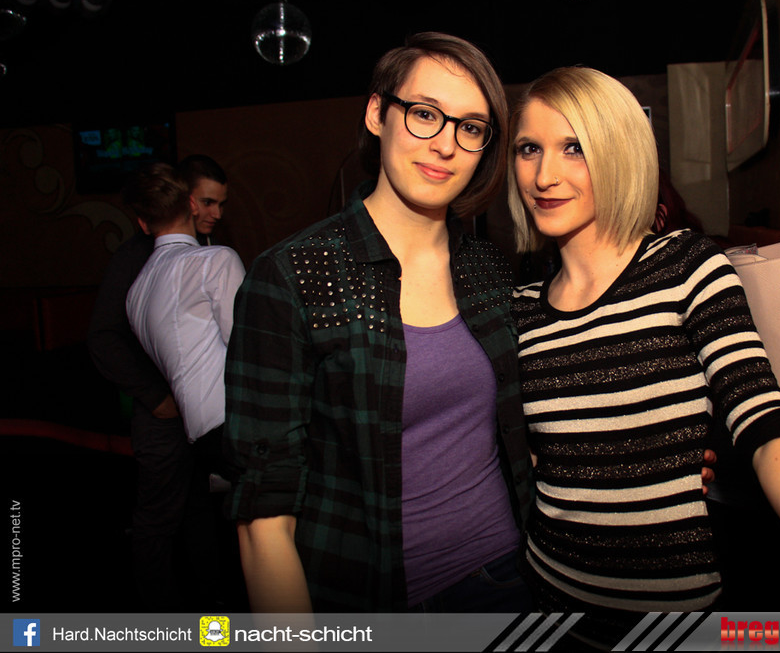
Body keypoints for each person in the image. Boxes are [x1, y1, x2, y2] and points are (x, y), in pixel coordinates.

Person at [507, 66, 780, 644]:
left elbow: (761, 412)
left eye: (574, 147)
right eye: (529, 148)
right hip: (549, 607)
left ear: (619, 153)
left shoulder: (686, 266)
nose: (543, 175)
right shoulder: (521, 309)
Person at [223, 32, 534, 613]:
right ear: (376, 113)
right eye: (425, 114)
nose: (445, 144)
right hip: (373, 600)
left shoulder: (488, 268)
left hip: (513, 575)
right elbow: (264, 513)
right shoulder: (292, 275)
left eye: (470, 127)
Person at [86, 154, 230, 609]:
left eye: (221, 204)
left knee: (202, 514)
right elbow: (103, 337)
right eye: (206, 202)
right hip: (162, 413)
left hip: (200, 415)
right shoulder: (138, 257)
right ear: (185, 200)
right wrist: (155, 396)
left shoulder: (207, 250)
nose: (214, 213)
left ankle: (213, 616)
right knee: (159, 519)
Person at [122, 162, 245, 609]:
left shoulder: (136, 292)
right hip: (237, 424)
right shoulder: (215, 260)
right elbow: (249, 351)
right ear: (191, 205)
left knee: (231, 539)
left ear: (142, 222)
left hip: (200, 435)